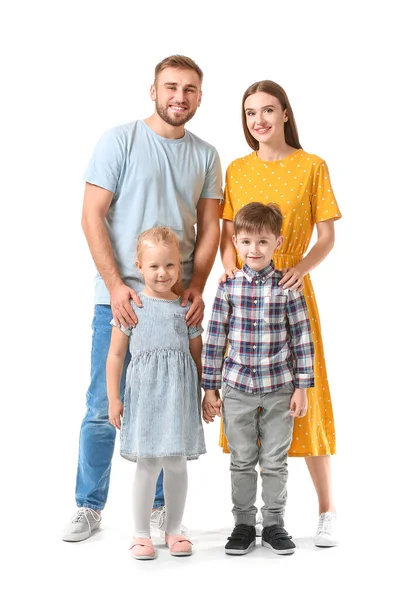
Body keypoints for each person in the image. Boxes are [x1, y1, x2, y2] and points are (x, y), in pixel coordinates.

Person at [62, 55, 222, 542]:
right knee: (101, 405)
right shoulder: (120, 140)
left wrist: (195, 284)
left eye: (190, 89)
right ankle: (89, 506)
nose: (180, 96)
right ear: (152, 91)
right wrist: (114, 286)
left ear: (199, 96)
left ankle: (158, 512)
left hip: (176, 304)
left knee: (167, 404)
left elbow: (211, 226)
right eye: (170, 86)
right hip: (121, 300)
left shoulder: (206, 155)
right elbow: (92, 215)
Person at [217, 80, 342, 547]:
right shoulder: (236, 169)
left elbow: (326, 237)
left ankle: (327, 510)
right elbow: (230, 235)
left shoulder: (312, 166)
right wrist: (232, 280)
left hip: (290, 293)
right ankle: (251, 519)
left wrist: (298, 270)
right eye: (251, 113)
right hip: (247, 302)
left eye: (268, 110)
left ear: (286, 113)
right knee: (250, 402)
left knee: (305, 397)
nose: (260, 121)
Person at [202, 202, 314, 555]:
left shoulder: (288, 286)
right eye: (247, 241)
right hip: (237, 387)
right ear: (235, 241)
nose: (254, 249)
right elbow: (216, 337)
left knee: (275, 460)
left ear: (278, 243)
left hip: (279, 386)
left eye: (263, 242)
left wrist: (302, 387)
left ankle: (275, 523)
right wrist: (210, 387)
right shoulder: (228, 287)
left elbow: (302, 337)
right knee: (241, 458)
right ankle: (244, 524)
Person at [107, 227, 205, 559]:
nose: (162, 273)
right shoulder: (132, 306)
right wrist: (113, 398)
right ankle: (139, 534)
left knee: (177, 463)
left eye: (170, 266)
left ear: (180, 266)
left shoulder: (185, 308)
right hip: (146, 397)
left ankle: (174, 529)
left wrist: (206, 393)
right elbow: (116, 355)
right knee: (147, 464)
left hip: (179, 398)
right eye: (154, 266)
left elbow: (196, 355)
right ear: (139, 266)